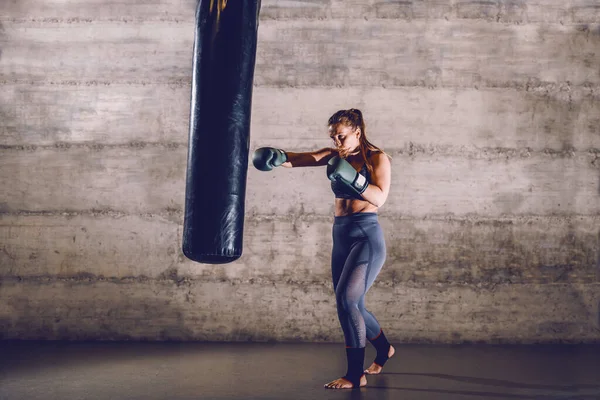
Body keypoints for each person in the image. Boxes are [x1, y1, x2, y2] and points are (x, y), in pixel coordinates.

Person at [252, 108, 394, 389]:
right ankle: (385, 349)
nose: (337, 143)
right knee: (352, 304)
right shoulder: (334, 156)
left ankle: (355, 375)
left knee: (347, 301)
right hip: (340, 236)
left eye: (341, 137)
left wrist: (354, 180)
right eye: (333, 138)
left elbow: (380, 197)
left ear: (357, 131)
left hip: (366, 237)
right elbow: (300, 159)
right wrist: (278, 158)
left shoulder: (377, 158)